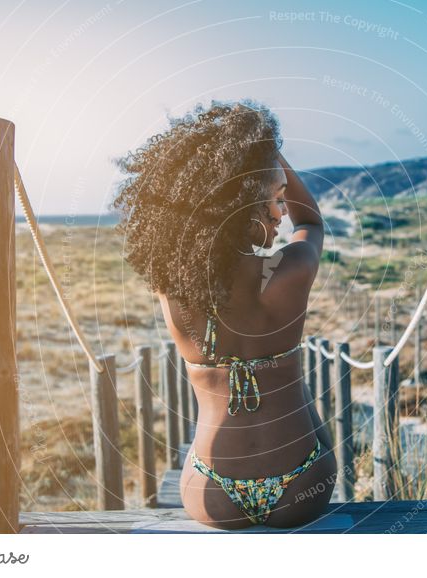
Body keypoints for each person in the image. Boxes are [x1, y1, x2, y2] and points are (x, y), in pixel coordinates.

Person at [111, 98, 337, 530]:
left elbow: (181, 220)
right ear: (245, 206)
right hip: (304, 488)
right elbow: (314, 223)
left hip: (211, 494)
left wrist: (248, 163)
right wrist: (270, 151)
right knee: (304, 408)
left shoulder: (171, 286)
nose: (283, 210)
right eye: (275, 197)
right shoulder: (291, 272)